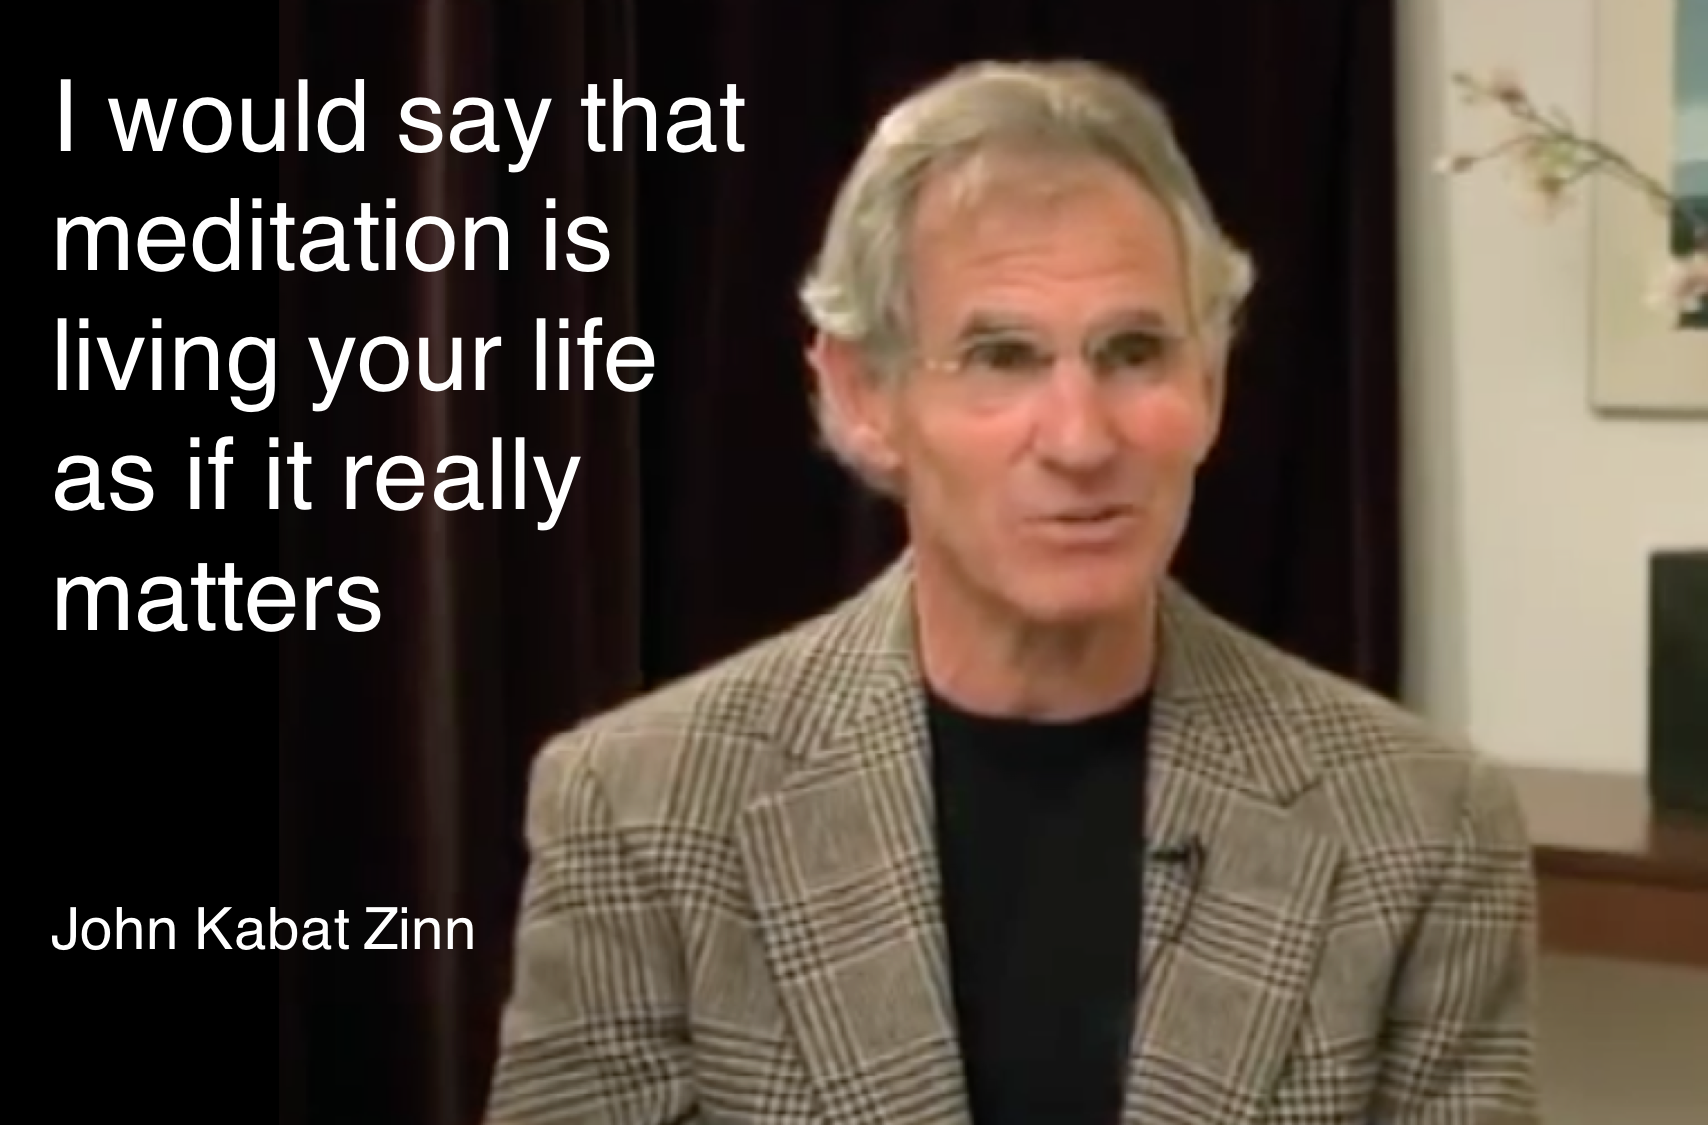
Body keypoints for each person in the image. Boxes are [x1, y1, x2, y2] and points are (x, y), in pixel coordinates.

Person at [483, 59, 1540, 1125]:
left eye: (1135, 351)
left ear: (1211, 383)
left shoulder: (1423, 827)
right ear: (863, 394)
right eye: (1000, 356)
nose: (1081, 439)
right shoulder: (641, 810)